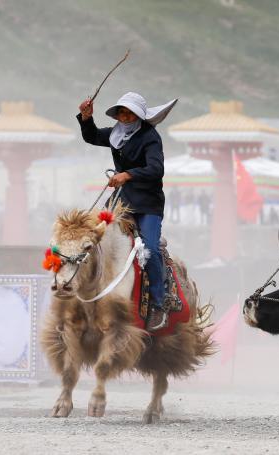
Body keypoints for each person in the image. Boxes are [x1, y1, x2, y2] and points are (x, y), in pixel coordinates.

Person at [77, 92, 177, 332]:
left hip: (148, 203)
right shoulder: (116, 133)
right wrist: (86, 118)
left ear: (139, 115)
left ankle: (159, 303)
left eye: (129, 112)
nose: (124, 116)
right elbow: (91, 136)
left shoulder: (150, 137)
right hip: (121, 200)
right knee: (92, 239)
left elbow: (156, 168)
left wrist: (128, 174)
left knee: (150, 250)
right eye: (121, 112)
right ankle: (85, 289)